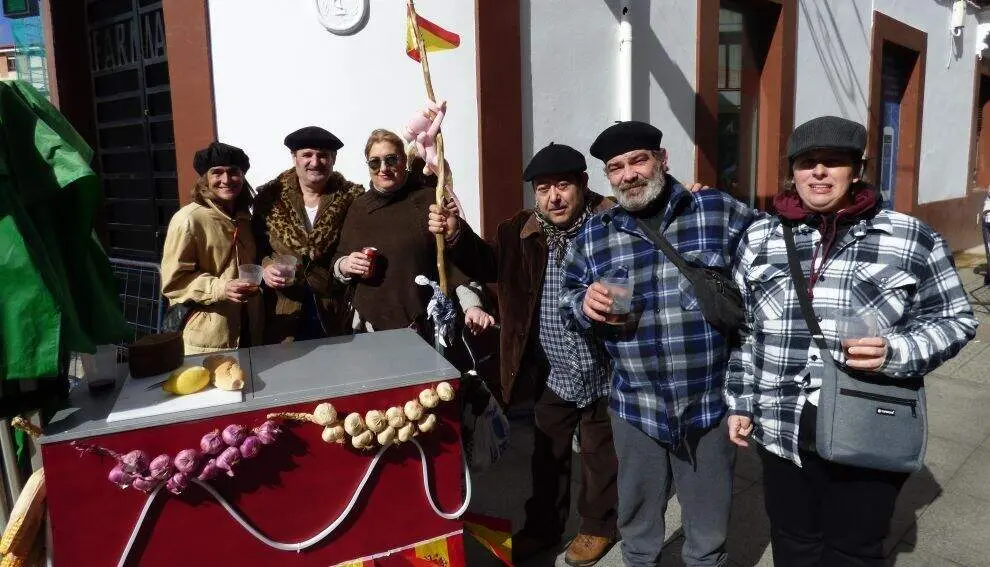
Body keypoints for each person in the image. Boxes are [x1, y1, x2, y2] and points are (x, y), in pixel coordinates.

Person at [725, 116, 978, 566]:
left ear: (856, 170)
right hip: (781, 422)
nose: (819, 172)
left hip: (867, 423)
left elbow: (955, 319)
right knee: (793, 540)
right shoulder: (760, 238)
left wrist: (896, 351)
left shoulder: (909, 236)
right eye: (807, 163)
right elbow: (745, 332)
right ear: (792, 172)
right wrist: (741, 401)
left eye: (833, 162)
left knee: (853, 549)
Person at [558, 121, 755, 567]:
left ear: (662, 161)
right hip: (635, 403)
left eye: (638, 160)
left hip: (709, 399)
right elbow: (567, 300)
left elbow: (773, 262)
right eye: (616, 168)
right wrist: (583, 303)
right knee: (638, 514)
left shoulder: (715, 211)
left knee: (707, 519)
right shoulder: (596, 233)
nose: (628, 174)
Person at [429, 143, 618, 566]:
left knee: (598, 454)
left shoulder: (611, 224)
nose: (554, 197)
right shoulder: (520, 229)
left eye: (563, 185)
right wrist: (458, 234)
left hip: (606, 367)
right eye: (544, 188)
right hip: (552, 369)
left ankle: (596, 526)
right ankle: (544, 527)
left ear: (583, 185)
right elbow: (490, 264)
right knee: (547, 454)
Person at [332, 128, 481, 338]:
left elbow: (454, 259)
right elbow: (338, 259)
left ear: (403, 160)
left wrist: (472, 304)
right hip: (369, 326)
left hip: (422, 322)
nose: (383, 168)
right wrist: (345, 264)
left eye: (391, 159)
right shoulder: (359, 208)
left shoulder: (429, 199)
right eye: (375, 162)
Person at [252, 127, 364, 342]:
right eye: (307, 155)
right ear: (294, 158)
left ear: (333, 159)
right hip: (282, 310)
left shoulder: (352, 198)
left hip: (332, 309)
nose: (315, 162)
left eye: (323, 155)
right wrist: (266, 268)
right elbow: (255, 247)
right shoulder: (269, 198)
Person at [161, 142, 264, 354]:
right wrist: (221, 288)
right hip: (208, 336)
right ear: (205, 179)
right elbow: (174, 282)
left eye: (233, 172)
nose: (226, 180)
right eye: (217, 172)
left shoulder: (245, 219)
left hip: (251, 331)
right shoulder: (188, 220)